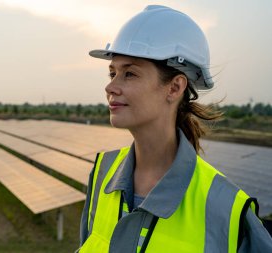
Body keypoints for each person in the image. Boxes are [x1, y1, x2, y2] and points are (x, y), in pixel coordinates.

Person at [77, 5, 272, 253]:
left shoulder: (227, 208)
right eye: (112, 73)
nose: (111, 87)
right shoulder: (103, 173)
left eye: (130, 74)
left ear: (174, 88)